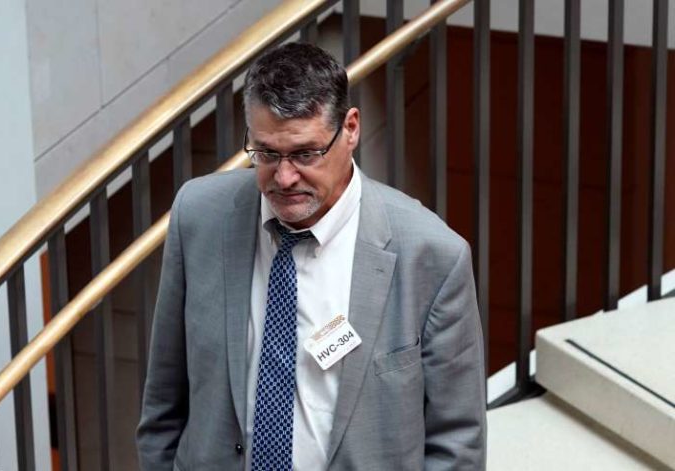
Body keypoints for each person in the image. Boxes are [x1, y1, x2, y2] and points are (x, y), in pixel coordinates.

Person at [137, 42, 486, 470]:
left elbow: (457, 444)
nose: (284, 177)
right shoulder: (198, 216)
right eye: (266, 153)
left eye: (305, 154)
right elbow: (163, 402)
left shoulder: (432, 256)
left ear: (351, 129)